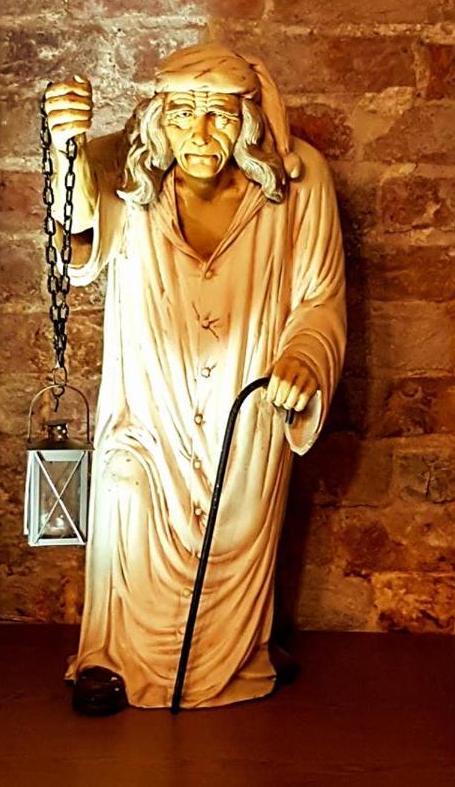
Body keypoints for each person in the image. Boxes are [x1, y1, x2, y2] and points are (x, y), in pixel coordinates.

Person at [44, 43, 346, 714]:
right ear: (159, 117)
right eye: (182, 115)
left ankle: (236, 655)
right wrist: (66, 144)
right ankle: (112, 659)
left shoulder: (298, 183)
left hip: (246, 400)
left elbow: (320, 298)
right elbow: (77, 232)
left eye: (218, 116)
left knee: (236, 528)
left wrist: (303, 357)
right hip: (145, 398)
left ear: (248, 120)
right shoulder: (128, 171)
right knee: (127, 501)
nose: (200, 135)